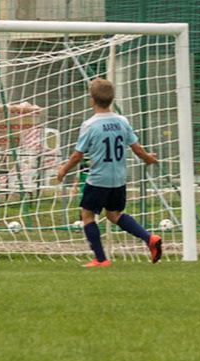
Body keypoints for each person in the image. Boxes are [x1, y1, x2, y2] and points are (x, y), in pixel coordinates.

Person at [53, 77, 163, 267]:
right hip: (118, 179)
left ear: (91, 99)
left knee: (87, 215)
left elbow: (78, 156)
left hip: (98, 179)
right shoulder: (122, 121)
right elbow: (137, 149)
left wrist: (63, 169)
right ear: (111, 99)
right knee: (113, 215)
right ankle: (149, 238)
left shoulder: (90, 125)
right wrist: (148, 159)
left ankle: (101, 259)